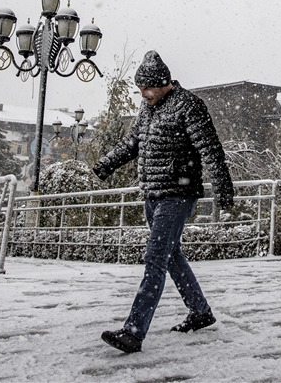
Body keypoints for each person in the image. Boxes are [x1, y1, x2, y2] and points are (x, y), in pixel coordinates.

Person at [93, 50, 235, 353]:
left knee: (155, 257)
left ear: (165, 82)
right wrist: (106, 164)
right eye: (141, 89)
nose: (144, 94)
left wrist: (223, 189)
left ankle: (134, 332)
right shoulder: (147, 109)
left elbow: (210, 149)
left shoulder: (189, 106)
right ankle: (200, 311)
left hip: (178, 194)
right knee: (170, 256)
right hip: (152, 194)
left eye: (149, 88)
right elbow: (132, 143)